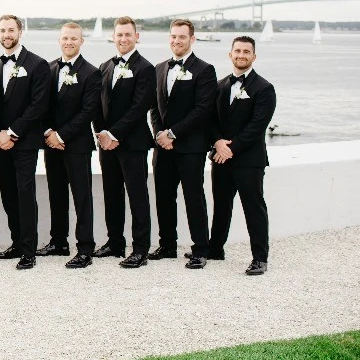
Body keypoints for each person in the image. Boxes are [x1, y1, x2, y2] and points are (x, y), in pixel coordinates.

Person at [204, 36, 276, 276]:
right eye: (237, 51)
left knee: (253, 208)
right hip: (221, 158)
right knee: (221, 206)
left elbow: (257, 126)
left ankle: (260, 258)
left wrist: (230, 149)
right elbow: (210, 120)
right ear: (230, 54)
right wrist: (216, 142)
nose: (241, 55)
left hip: (248, 160)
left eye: (247, 51)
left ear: (254, 56)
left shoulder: (264, 88)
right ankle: (215, 249)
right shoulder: (219, 85)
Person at [0, 15, 52, 270]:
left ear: (20, 32)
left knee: (25, 194)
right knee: (8, 193)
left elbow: (38, 106)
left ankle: (28, 250)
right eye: (2, 30)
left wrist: (12, 133)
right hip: (1, 142)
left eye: (11, 30)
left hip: (24, 142)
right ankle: (15, 243)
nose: (6, 34)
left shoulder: (37, 64)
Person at [149, 19, 217, 269]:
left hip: (190, 147)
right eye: (173, 36)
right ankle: (167, 245)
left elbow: (202, 110)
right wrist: (159, 134)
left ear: (192, 39)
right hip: (162, 148)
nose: (176, 41)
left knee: (193, 197)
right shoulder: (159, 68)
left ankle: (200, 248)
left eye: (181, 37)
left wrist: (173, 133)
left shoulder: (204, 69)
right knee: (164, 197)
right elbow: (154, 107)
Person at [93, 16, 155, 269]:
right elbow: (96, 105)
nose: (123, 39)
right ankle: (115, 242)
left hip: (133, 143)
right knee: (112, 194)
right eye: (119, 35)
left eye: (128, 34)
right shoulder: (105, 66)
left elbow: (140, 107)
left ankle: (140, 249)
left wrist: (114, 134)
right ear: (113, 36)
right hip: (106, 143)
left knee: (137, 196)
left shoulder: (146, 68)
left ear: (136, 36)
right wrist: (102, 134)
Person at [40, 23, 101, 269]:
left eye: (73, 38)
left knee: (81, 197)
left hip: (76, 144)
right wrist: (48, 132)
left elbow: (89, 111)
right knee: (56, 194)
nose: (68, 42)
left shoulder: (91, 72)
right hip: (50, 143)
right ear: (59, 40)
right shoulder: (49, 68)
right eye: (65, 38)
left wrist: (62, 135)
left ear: (81, 41)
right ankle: (58, 242)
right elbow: (40, 105)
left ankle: (85, 248)